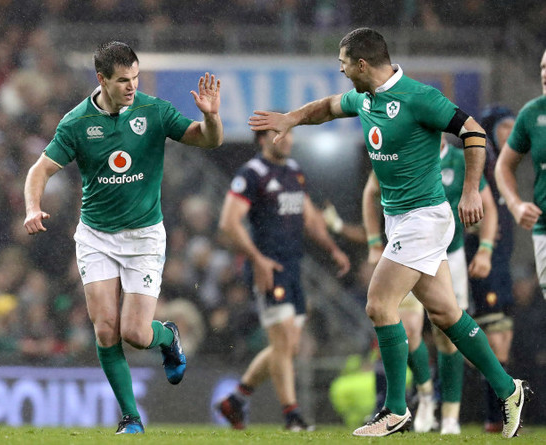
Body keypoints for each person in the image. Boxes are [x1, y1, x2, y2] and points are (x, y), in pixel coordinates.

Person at [248, 27, 530, 438]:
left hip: (424, 218)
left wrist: (471, 190)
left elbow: (473, 131)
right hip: (400, 219)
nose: (341, 69)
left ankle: (396, 409)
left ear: (362, 64)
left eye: (343, 62)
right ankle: (508, 389)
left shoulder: (419, 97)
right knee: (447, 314)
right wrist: (291, 118)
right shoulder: (366, 98)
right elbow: (327, 106)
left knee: (379, 305)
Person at [23, 41, 223, 434]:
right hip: (96, 236)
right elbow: (39, 171)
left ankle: (167, 337)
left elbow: (208, 139)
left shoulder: (153, 110)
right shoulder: (77, 122)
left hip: (145, 236)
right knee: (104, 328)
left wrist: (212, 118)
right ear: (101, 80)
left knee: (134, 333)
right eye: (122, 80)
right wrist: (32, 207)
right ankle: (131, 417)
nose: (132, 86)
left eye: (135, 77)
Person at [325, 133, 498, 435]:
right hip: (406, 253)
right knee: (407, 326)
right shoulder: (400, 149)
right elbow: (370, 192)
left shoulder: (459, 159)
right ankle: (425, 395)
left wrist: (484, 249)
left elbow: (488, 206)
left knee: (448, 332)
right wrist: (374, 241)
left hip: (449, 256)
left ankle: (451, 417)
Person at [216, 126, 351, 431]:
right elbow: (228, 221)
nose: (288, 139)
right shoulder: (252, 173)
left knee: (286, 346)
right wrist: (257, 259)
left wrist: (332, 248)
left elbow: (310, 216)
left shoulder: (293, 171)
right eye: (280, 134)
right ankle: (292, 416)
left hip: (293, 267)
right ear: (263, 139)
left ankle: (234, 401)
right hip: (268, 268)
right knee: (283, 342)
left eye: (289, 133)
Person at [468, 105, 516, 433]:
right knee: (494, 340)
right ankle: (496, 416)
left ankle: (499, 415)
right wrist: (475, 231)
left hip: (502, 265)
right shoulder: (480, 161)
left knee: (504, 339)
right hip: (485, 264)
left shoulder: (503, 165)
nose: (510, 134)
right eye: (504, 127)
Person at [495, 49, 546, 299]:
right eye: (543, 68)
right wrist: (515, 205)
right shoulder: (531, 114)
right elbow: (503, 166)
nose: (545, 74)